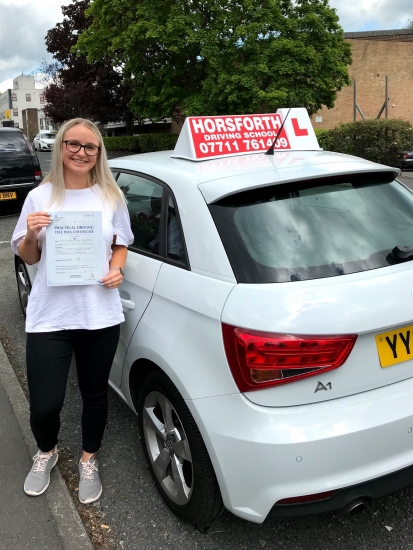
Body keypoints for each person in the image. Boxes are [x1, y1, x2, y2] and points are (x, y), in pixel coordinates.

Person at [11, 118, 133, 504]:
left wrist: (117, 269)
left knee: (96, 394)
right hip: (50, 317)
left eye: (90, 147)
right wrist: (31, 233)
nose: (82, 152)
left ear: (99, 153)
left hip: (99, 314)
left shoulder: (110, 196)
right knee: (46, 402)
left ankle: (88, 458)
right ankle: (47, 451)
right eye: (74, 144)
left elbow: (121, 243)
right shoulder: (39, 196)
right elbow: (28, 255)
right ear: (61, 147)